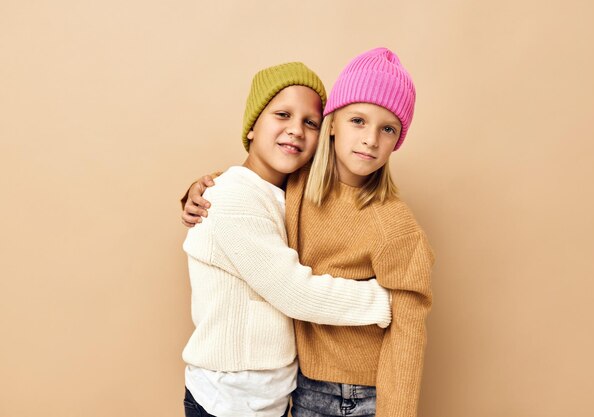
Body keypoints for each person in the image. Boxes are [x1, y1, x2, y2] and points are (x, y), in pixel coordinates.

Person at [183, 48, 434, 417]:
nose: (369, 139)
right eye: (358, 121)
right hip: (257, 393)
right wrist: (203, 187)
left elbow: (409, 341)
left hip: (327, 394)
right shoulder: (273, 192)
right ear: (335, 124)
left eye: (388, 129)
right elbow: (289, 283)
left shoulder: (386, 223)